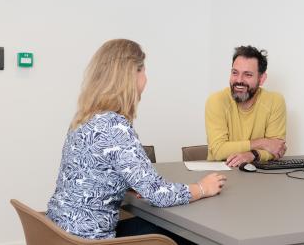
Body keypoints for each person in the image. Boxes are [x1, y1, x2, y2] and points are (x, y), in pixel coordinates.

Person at [46, 39, 226, 244]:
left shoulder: (84, 119)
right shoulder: (115, 127)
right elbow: (158, 194)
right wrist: (203, 188)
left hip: (60, 233)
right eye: (143, 70)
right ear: (132, 75)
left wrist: (129, 182)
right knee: (188, 239)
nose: (146, 78)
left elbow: (95, 173)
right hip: (91, 240)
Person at [205, 45, 287, 167]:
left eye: (247, 75)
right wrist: (263, 143)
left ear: (262, 78)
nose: (239, 80)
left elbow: (277, 148)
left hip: (260, 175)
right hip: (220, 173)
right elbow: (218, 151)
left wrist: (253, 155)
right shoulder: (216, 101)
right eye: (235, 73)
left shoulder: (275, 101)